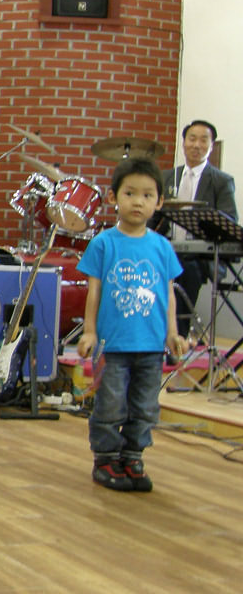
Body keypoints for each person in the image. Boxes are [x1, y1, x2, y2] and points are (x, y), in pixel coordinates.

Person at [78, 157, 187, 492]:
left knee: (145, 407)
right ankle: (106, 457)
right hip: (114, 344)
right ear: (113, 198)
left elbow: (168, 293)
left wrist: (172, 332)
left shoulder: (161, 246)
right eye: (129, 193)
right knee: (110, 404)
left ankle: (133, 456)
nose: (138, 201)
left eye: (147, 195)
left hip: (152, 346)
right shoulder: (103, 243)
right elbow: (94, 289)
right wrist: (90, 330)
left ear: (159, 202)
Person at [161, 120, 237, 337]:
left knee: (186, 269)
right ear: (183, 143)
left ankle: (178, 338)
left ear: (211, 146)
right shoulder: (167, 177)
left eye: (204, 140)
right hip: (167, 248)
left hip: (198, 255)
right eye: (192, 139)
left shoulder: (221, 181)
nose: (197, 145)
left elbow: (229, 219)